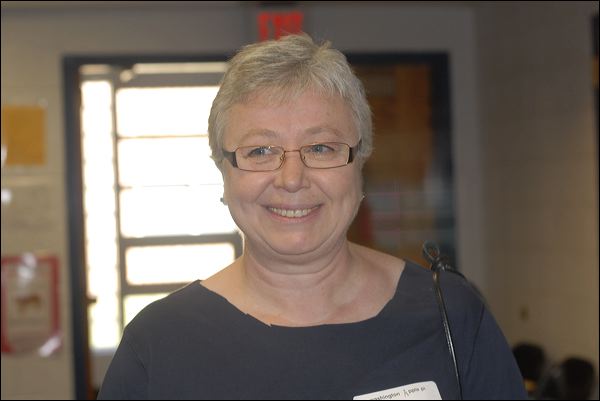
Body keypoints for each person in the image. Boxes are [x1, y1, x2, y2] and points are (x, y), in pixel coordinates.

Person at [97, 33, 526, 400]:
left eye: (320, 148)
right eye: (260, 151)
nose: (291, 179)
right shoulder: (158, 347)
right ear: (223, 170)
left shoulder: (450, 315)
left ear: (361, 162)